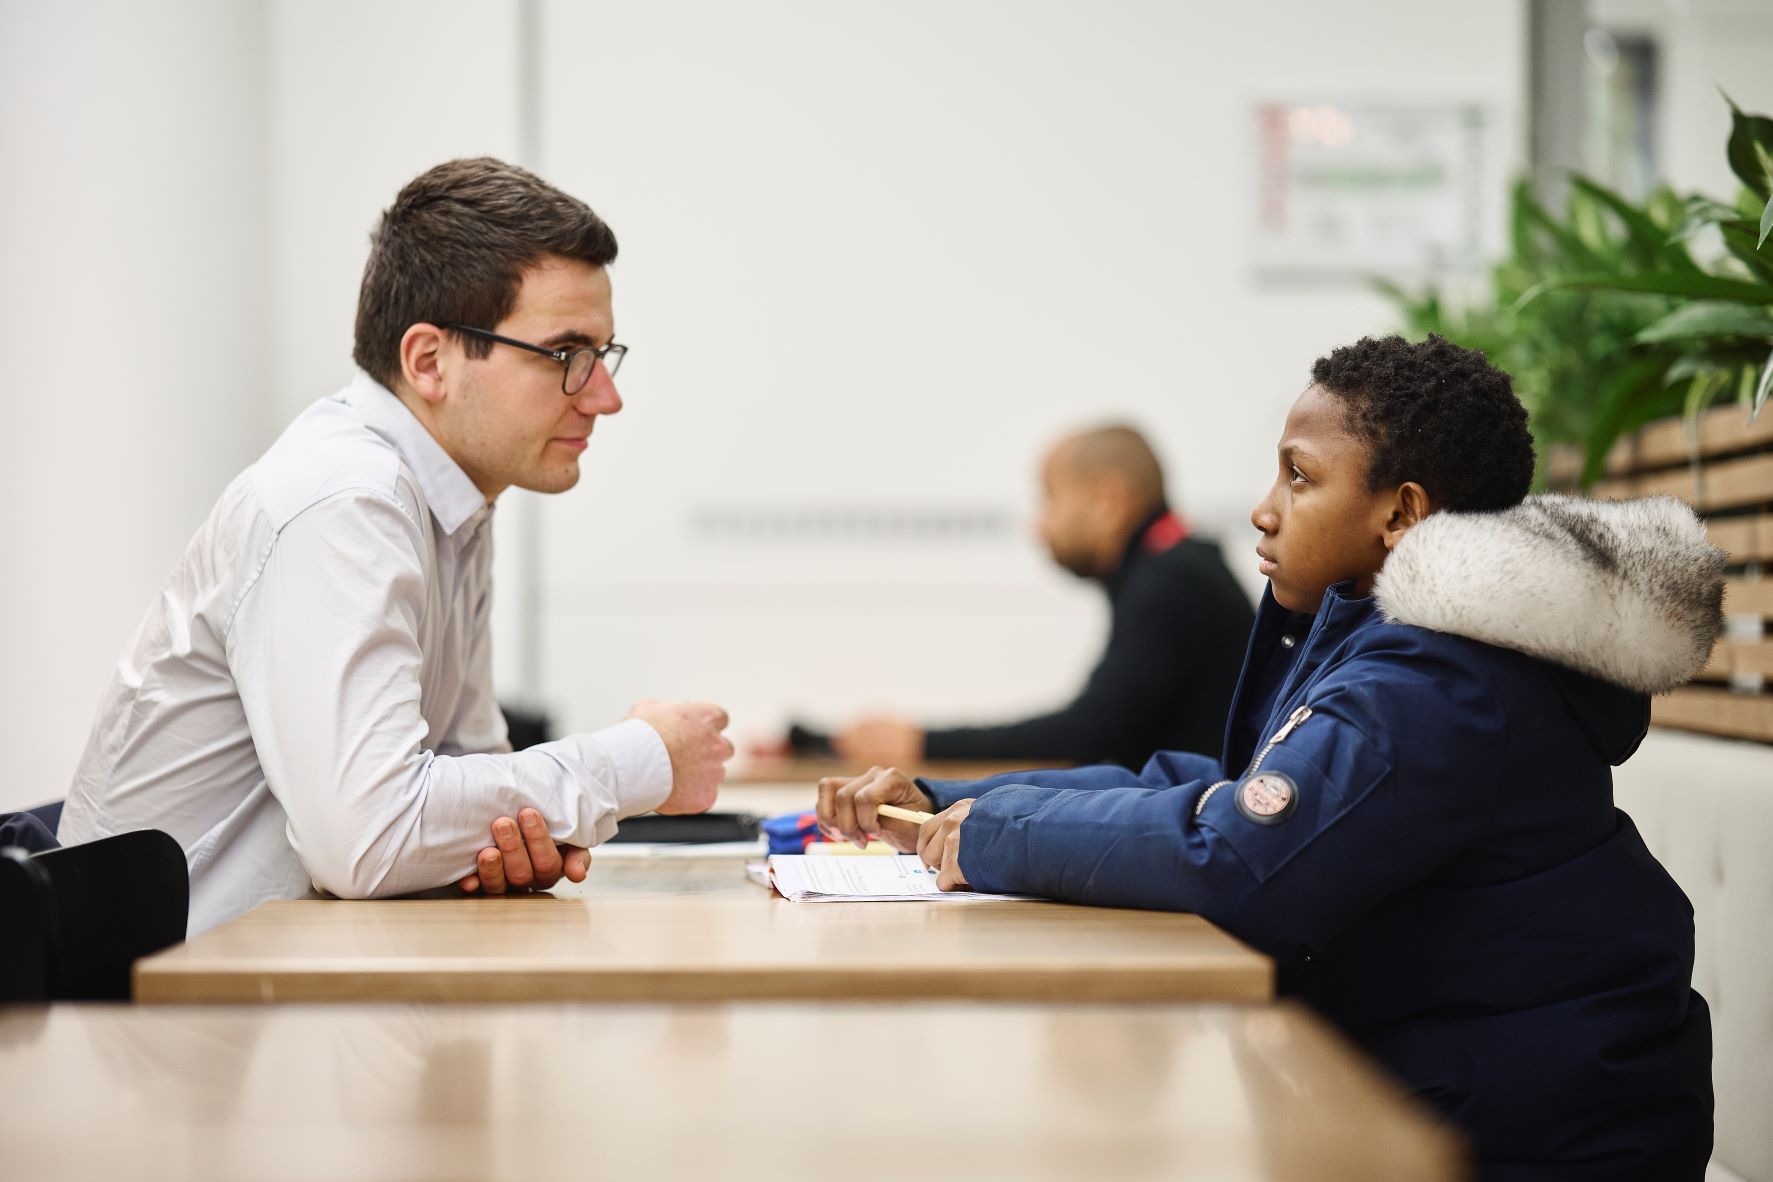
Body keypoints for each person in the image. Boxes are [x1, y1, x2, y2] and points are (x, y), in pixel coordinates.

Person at [817, 335, 1718, 1180]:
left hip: (1537, 1135)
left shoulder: (1440, 681)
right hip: (1463, 1086)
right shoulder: (1389, 645)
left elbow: (1242, 857)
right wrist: (945, 799)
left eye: (1298, 476)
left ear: (1399, 514)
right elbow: (1216, 789)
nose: (1263, 507)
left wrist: (987, 835)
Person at [58, 158, 733, 934]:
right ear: (428, 361)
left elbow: (469, 777)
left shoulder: (452, 498)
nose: (604, 397)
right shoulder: (348, 499)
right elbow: (370, 838)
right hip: (165, 1020)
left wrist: (513, 833)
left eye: (603, 355)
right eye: (565, 355)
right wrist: (641, 759)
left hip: (288, 983)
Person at [791, 424, 1254, 769]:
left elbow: (1088, 735)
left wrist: (923, 744)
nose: (1038, 524)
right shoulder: (1176, 568)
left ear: (1108, 501)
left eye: (1049, 499)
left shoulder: (1171, 581)